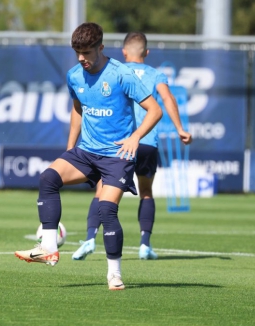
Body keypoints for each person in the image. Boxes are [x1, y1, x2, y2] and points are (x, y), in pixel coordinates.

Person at [14, 23, 163, 291]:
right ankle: (48, 247)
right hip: (86, 152)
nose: (82, 58)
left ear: (101, 48)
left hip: (117, 156)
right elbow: (78, 110)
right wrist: (70, 148)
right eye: (78, 53)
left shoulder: (121, 74)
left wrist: (135, 137)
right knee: (48, 178)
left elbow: (154, 110)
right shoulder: (74, 76)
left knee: (106, 210)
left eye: (87, 52)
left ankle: (114, 275)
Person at [72, 32, 192, 261]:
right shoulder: (156, 74)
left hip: (118, 143)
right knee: (146, 192)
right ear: (146, 53)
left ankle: (89, 239)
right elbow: (167, 99)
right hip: (146, 141)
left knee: (102, 191)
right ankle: (145, 245)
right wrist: (180, 129)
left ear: (124, 52)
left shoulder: (115, 71)